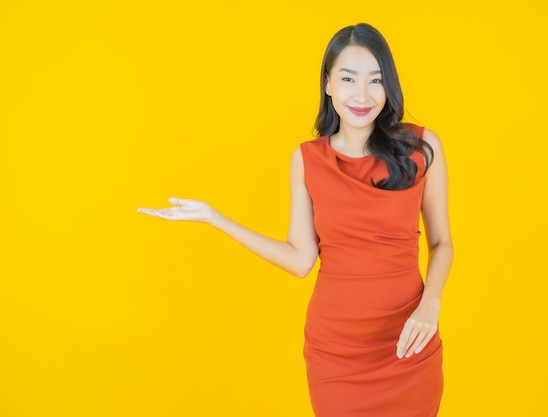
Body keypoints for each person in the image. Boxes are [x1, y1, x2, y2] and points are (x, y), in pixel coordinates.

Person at [138, 23, 452, 417]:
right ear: (327, 84)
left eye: (375, 80)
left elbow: (441, 243)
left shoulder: (422, 148)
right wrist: (215, 218)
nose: (362, 94)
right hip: (336, 353)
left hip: (409, 341)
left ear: (388, 85)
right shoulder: (307, 160)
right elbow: (301, 259)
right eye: (348, 78)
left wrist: (430, 306)